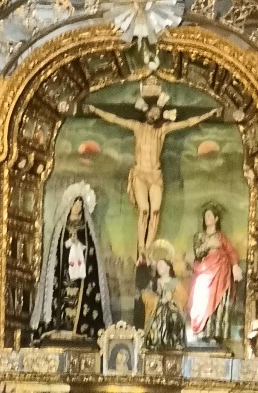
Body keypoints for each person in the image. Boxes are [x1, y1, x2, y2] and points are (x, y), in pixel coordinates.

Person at [87, 78, 219, 260]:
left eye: (157, 113)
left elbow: (188, 123)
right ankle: (141, 248)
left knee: (155, 211)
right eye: (152, 111)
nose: (154, 114)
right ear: (147, 112)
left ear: (159, 116)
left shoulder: (162, 130)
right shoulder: (137, 127)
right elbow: (115, 119)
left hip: (155, 175)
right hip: (140, 174)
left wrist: (209, 114)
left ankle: (148, 250)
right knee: (144, 210)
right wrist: (95, 110)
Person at [31, 182, 113, 341]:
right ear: (70, 205)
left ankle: (81, 329)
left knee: (81, 299)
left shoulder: (86, 228)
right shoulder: (61, 228)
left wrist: (79, 246)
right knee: (63, 297)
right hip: (64, 272)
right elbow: (56, 252)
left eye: (80, 204)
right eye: (75, 204)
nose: (77, 207)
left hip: (82, 275)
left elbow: (91, 252)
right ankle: (60, 326)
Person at [186, 203, 241, 344]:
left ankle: (215, 334)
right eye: (205, 216)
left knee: (219, 302)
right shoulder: (199, 236)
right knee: (202, 300)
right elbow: (198, 251)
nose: (207, 218)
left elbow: (231, 251)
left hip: (220, 272)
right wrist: (209, 245)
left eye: (210, 215)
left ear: (216, 219)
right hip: (204, 271)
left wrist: (235, 266)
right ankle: (201, 331)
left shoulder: (221, 237)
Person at [143, 238, 186, 349]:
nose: (159, 268)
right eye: (158, 266)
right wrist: (157, 300)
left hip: (172, 307)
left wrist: (172, 299)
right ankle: (155, 342)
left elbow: (184, 297)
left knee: (174, 317)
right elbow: (145, 295)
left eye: (162, 265)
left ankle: (175, 342)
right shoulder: (154, 282)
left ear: (168, 267)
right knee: (157, 319)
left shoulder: (175, 282)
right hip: (157, 307)